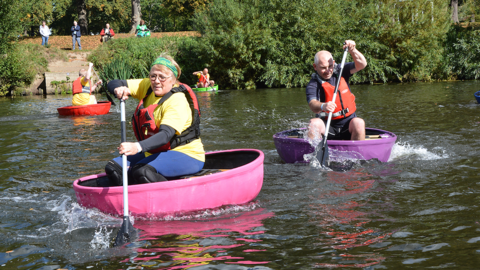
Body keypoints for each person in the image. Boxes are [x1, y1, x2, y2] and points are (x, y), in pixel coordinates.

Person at [105, 54, 205, 186]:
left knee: (142, 171)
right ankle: (127, 198)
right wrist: (118, 88)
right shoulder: (149, 86)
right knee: (113, 168)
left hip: (187, 155)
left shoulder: (177, 100)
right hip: (157, 152)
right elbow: (113, 83)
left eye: (162, 77)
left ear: (173, 80)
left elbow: (165, 136)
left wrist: (137, 147)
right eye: (153, 76)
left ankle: (170, 197)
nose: (156, 81)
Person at [306, 40, 367, 141]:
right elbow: (312, 104)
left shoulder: (341, 70)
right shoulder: (313, 84)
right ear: (315, 67)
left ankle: (358, 155)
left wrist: (353, 50)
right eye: (323, 68)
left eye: (330, 66)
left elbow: (362, 64)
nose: (328, 71)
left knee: (359, 122)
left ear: (333, 63)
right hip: (328, 127)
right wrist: (323, 106)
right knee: (313, 124)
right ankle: (313, 154)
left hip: (348, 125)